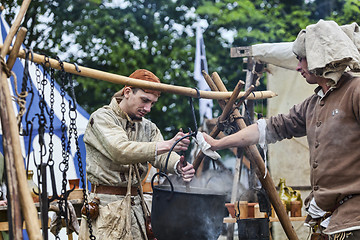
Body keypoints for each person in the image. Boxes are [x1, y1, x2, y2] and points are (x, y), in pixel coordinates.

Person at [203, 20, 360, 239]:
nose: (298, 67)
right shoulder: (313, 103)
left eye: (301, 59)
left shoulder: (356, 91)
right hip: (329, 221)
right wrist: (219, 143)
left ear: (319, 57)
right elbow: (268, 128)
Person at [79, 69, 195, 239]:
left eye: (152, 103)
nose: (148, 108)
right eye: (144, 100)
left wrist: (178, 165)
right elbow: (121, 150)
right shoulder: (102, 118)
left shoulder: (148, 127)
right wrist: (167, 145)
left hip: (137, 210)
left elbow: (161, 156)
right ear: (127, 92)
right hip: (106, 207)